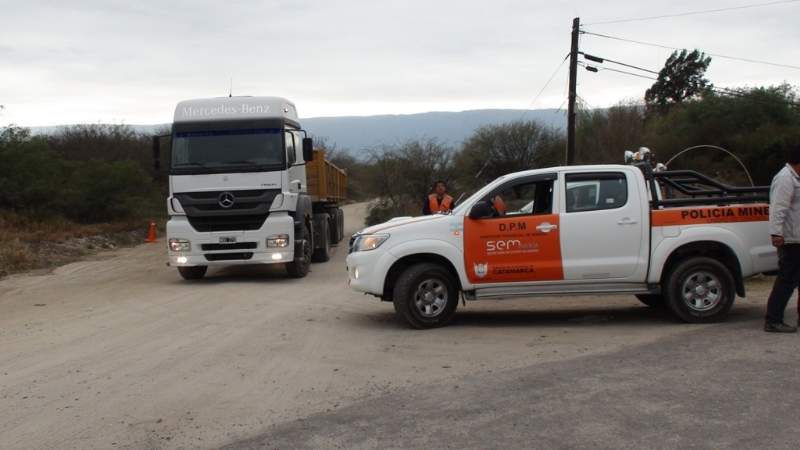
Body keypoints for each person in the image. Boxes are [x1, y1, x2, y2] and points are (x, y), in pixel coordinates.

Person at [764, 145, 800, 333]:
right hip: (790, 239)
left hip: (797, 237)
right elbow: (778, 209)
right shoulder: (785, 178)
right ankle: (773, 320)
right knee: (786, 280)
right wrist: (776, 233)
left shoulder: (795, 177)